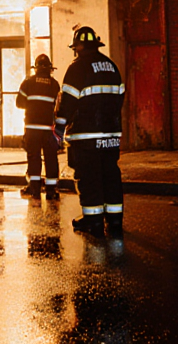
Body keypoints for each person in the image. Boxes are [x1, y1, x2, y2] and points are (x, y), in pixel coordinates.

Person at [56, 26, 126, 237]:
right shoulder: (112, 67)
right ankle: (114, 221)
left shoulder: (77, 68)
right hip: (111, 136)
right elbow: (120, 97)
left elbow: (67, 102)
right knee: (110, 176)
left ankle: (93, 221)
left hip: (85, 136)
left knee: (89, 178)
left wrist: (59, 128)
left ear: (77, 47)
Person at [16, 53, 62, 199]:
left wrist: (32, 105)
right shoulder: (54, 84)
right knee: (51, 159)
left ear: (35, 68)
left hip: (31, 128)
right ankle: (51, 191)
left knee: (34, 158)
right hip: (49, 129)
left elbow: (19, 103)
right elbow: (58, 106)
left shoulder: (28, 83)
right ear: (50, 68)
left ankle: (35, 190)